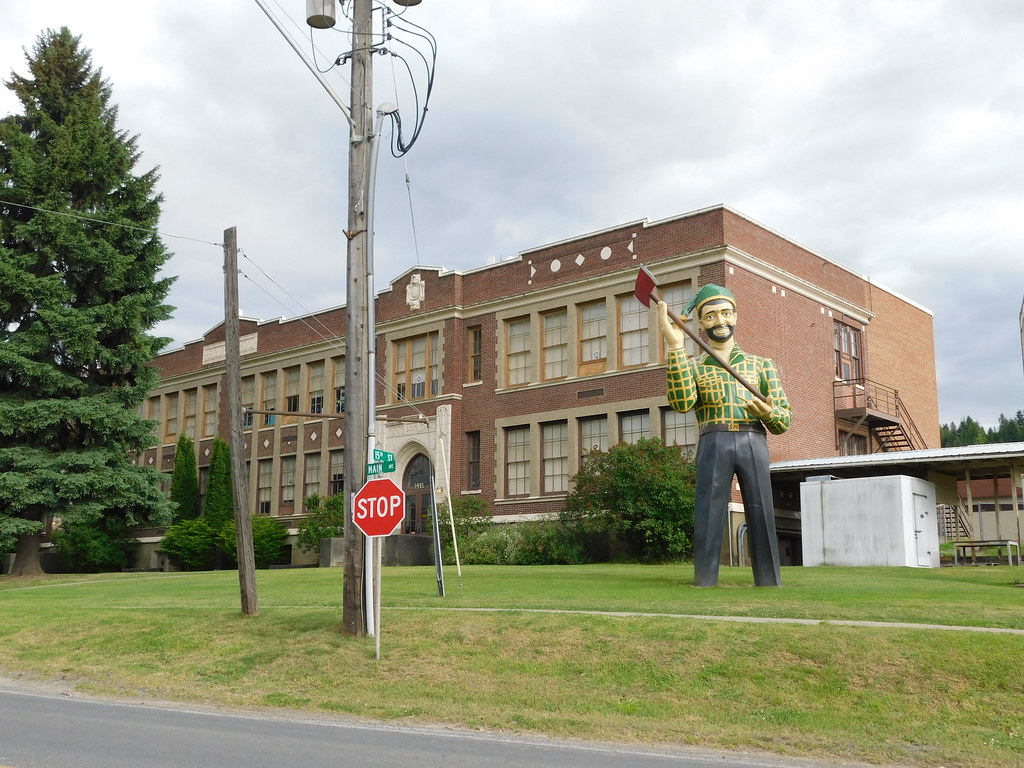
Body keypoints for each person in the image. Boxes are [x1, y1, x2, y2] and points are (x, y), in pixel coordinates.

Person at [658, 284, 790, 587]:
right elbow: (681, 404)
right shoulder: (694, 366)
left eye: (726, 313)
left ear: (736, 316)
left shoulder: (762, 365)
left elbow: (784, 419)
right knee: (708, 510)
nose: (720, 321)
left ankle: (769, 580)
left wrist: (768, 414)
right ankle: (705, 579)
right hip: (713, 439)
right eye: (711, 315)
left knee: (761, 510)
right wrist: (676, 347)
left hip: (753, 439)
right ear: (701, 323)